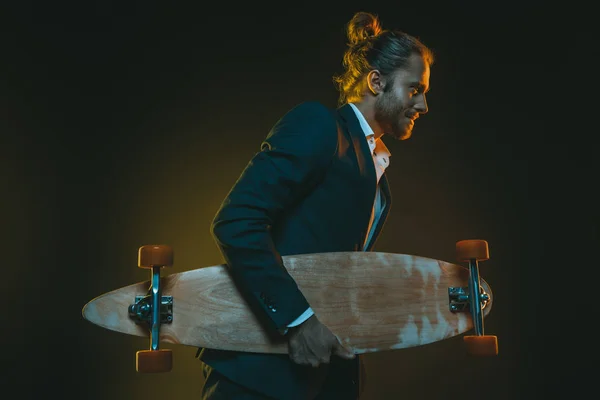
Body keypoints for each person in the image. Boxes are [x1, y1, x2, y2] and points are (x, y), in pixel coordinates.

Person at [197, 10, 434, 400]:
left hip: (322, 379)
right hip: (258, 375)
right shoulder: (319, 126)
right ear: (377, 81)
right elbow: (236, 221)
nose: (423, 105)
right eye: (415, 89)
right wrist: (298, 322)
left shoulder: (378, 174)